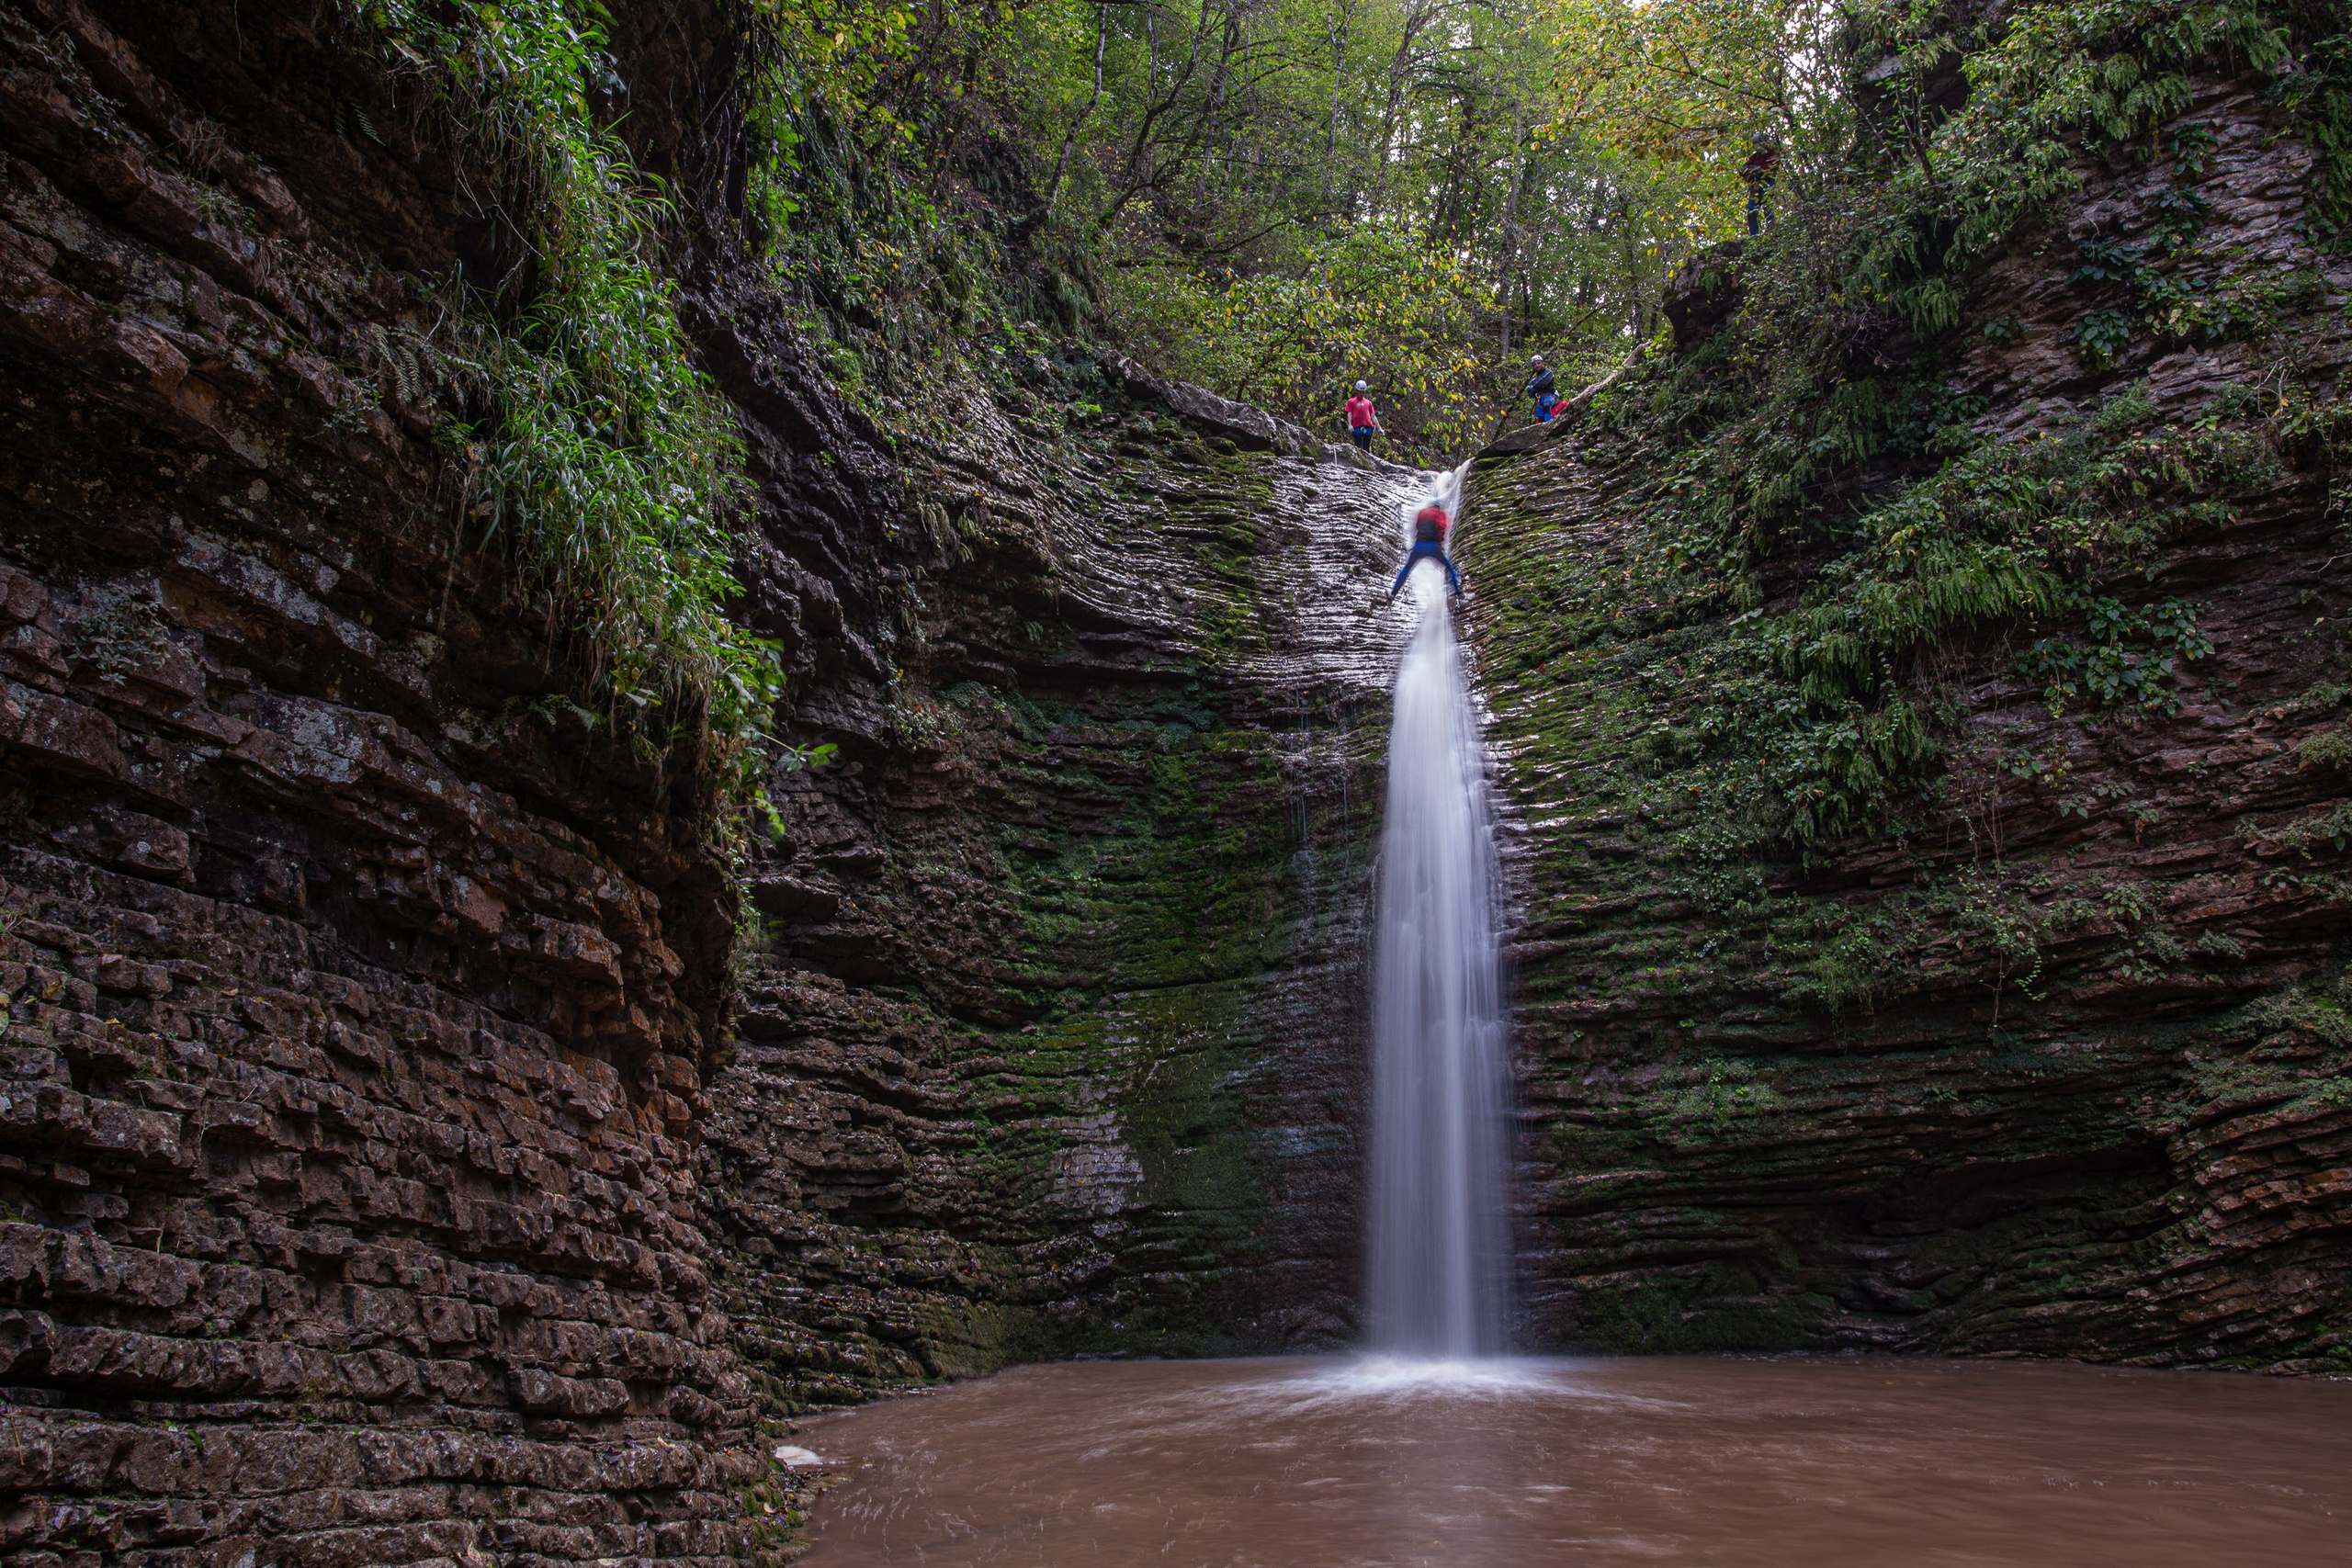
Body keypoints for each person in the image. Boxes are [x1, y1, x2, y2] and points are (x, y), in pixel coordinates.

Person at [1390, 500, 1463, 600]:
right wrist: (1440, 541)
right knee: (1449, 569)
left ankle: (1392, 594)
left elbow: (1416, 527)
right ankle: (1458, 594)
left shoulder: (1422, 512)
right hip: (1433, 547)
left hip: (1418, 547)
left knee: (1407, 569)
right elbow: (1442, 527)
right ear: (1438, 506)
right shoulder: (1439, 513)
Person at [1742, 135, 1780, 236]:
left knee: (1768, 209)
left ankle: (1772, 233)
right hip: (1756, 186)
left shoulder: (1771, 153)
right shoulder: (1754, 158)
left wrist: (1758, 168)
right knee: (1751, 211)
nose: (1756, 146)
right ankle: (1754, 236)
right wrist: (1746, 171)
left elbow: (1772, 167)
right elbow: (1746, 173)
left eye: (1757, 143)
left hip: (1768, 183)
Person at [1344, 380, 1382, 451]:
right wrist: (1349, 424)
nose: (1361, 394)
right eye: (1360, 392)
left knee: (1366, 448)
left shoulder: (1368, 402)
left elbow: (1372, 416)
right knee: (1358, 448)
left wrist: (1379, 428)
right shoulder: (1351, 401)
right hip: (1357, 427)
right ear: (1357, 391)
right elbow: (1349, 413)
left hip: (1368, 427)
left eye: (1363, 392)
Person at [1524, 354, 1555, 421]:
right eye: (1534, 364)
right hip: (1540, 400)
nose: (1537, 365)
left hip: (1549, 397)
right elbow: (1529, 391)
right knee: (1539, 413)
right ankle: (1543, 429)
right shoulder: (1534, 380)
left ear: (1542, 364)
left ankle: (1549, 425)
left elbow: (1543, 382)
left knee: (1546, 406)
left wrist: (1535, 387)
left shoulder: (1548, 372)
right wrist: (1537, 386)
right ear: (1533, 367)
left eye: (1538, 363)